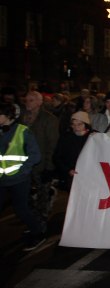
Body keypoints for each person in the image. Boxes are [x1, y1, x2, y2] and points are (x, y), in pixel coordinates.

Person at [0, 102, 46, 251]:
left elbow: (35, 155)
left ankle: (38, 233)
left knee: (21, 209)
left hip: (19, 179)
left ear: (8, 116)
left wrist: (23, 171)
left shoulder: (22, 131)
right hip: (2, 179)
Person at [19, 90, 59, 223]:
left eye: (31, 100)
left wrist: (49, 166)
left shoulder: (49, 119)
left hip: (41, 163)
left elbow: (52, 144)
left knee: (42, 194)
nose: (27, 103)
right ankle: (30, 217)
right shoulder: (22, 118)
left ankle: (41, 220)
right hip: (24, 162)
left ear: (39, 102)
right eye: (26, 100)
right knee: (27, 192)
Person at [53, 111, 93, 191]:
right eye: (73, 125)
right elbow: (56, 157)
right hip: (70, 177)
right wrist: (68, 170)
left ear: (86, 124)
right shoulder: (66, 137)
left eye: (79, 124)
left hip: (89, 176)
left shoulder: (93, 137)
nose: (76, 127)